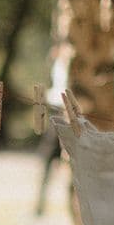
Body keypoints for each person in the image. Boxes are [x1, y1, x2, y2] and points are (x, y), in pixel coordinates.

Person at [35, 56, 70, 216]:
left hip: (68, 115)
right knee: (48, 163)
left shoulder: (72, 60)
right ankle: (40, 205)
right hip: (56, 114)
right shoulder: (56, 62)